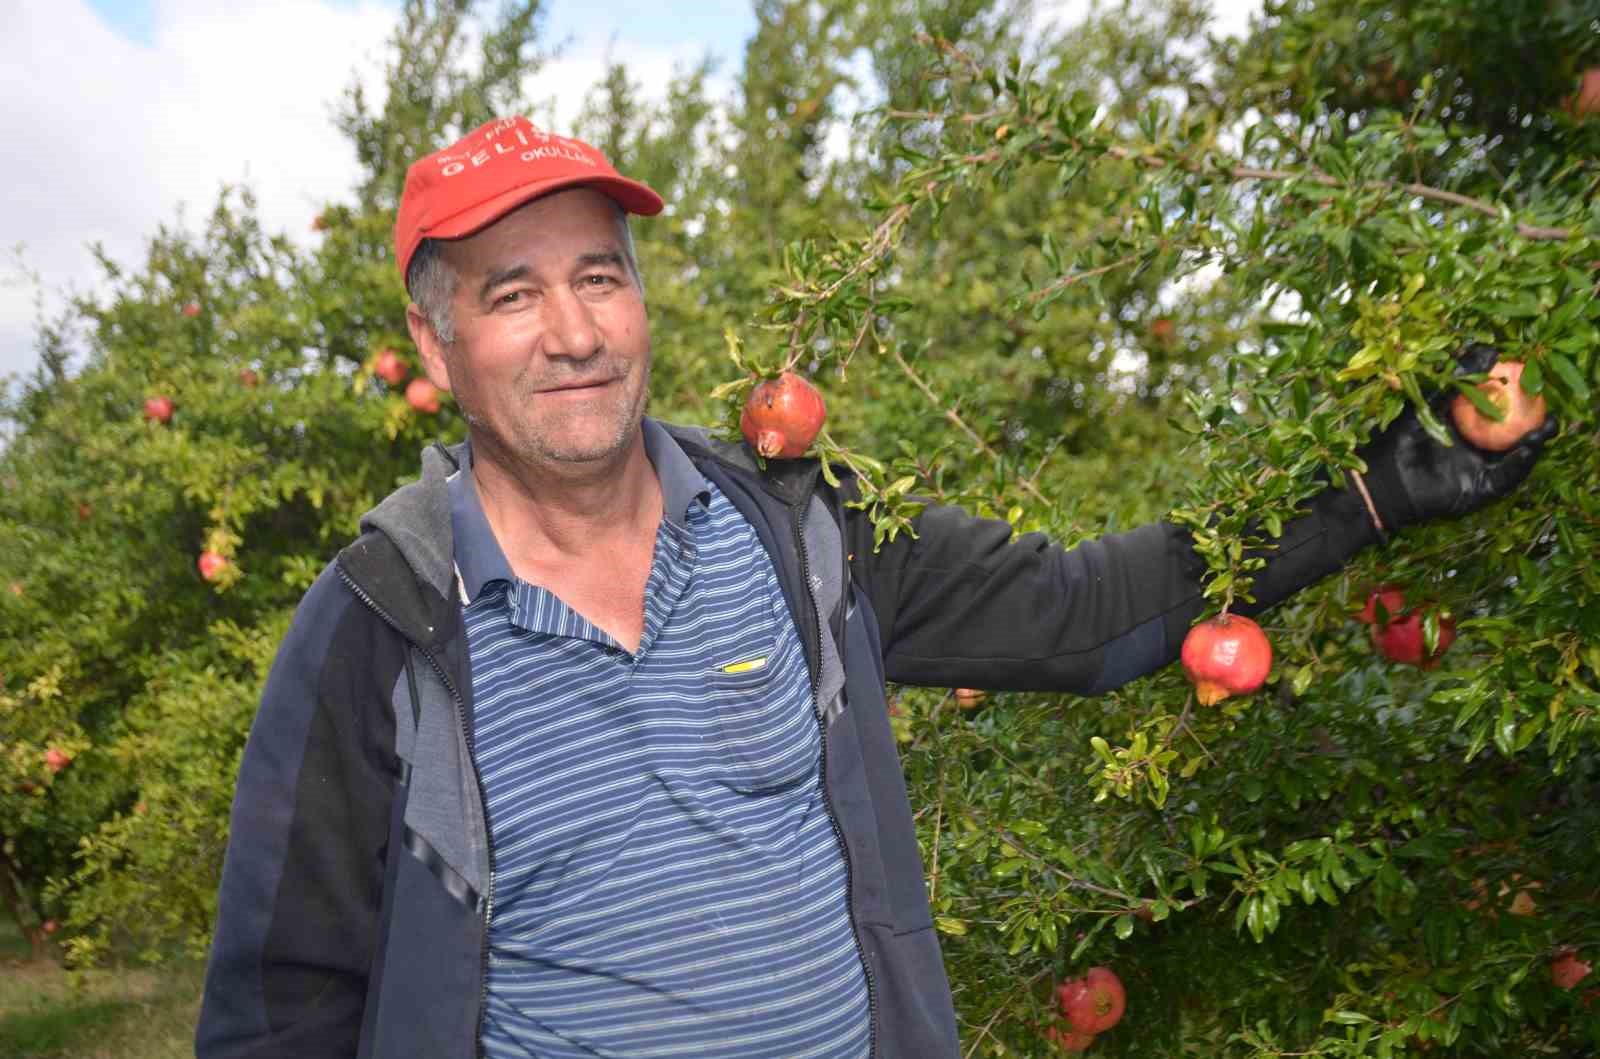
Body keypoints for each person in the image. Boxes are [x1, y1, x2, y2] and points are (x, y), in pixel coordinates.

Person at [194, 116, 1555, 1059]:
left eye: (601, 276)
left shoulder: (798, 528)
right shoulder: (383, 619)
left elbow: (1084, 614)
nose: (574, 332)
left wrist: (1373, 491)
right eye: (512, 294)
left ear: (641, 300)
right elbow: (282, 1003)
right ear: (434, 348)